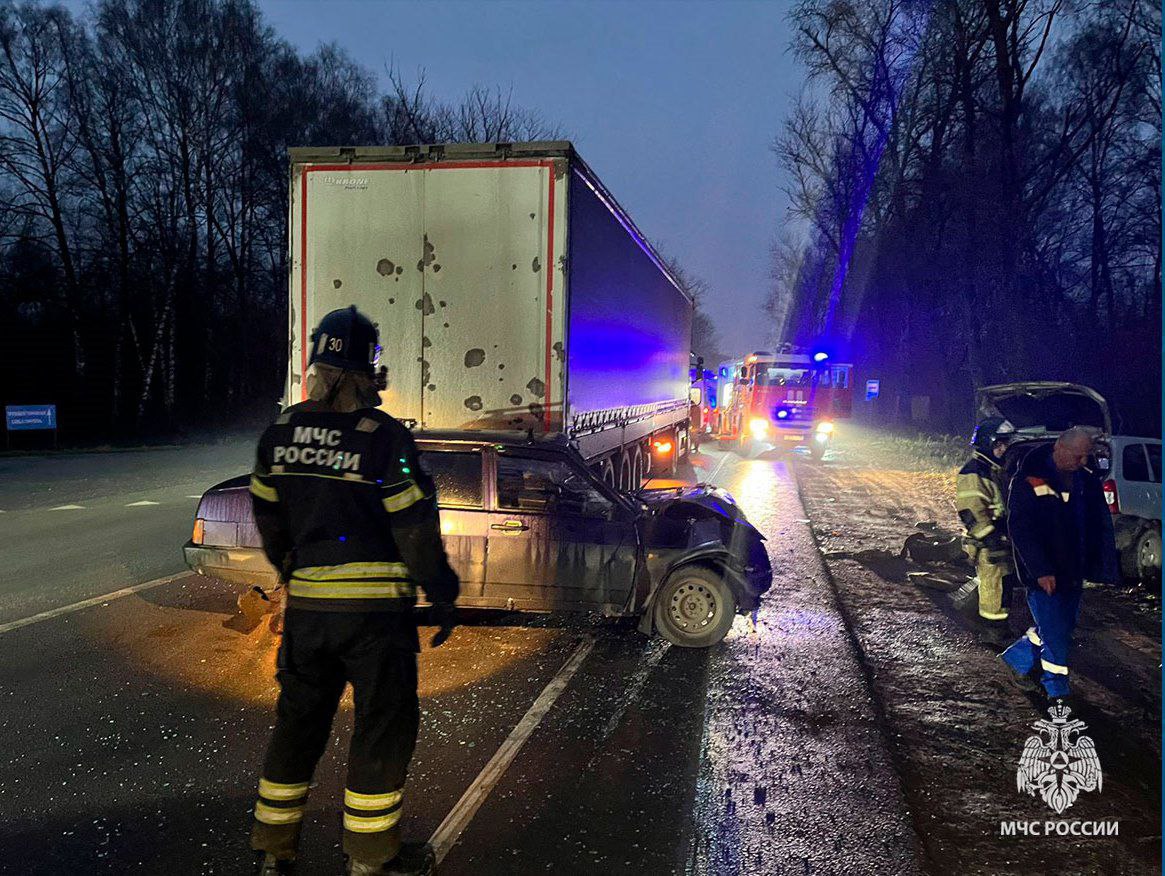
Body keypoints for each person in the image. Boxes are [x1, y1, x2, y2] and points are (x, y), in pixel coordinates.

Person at [248, 305, 460, 876]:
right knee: (381, 728)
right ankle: (370, 858)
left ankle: (273, 850)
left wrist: (293, 571)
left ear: (315, 365)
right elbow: (414, 527)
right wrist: (441, 591)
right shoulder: (383, 439)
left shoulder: (280, 435)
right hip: (375, 622)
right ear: (370, 372)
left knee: (297, 727)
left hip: (309, 617)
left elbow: (267, 518)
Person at [1000, 427, 1118, 703]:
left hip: (1073, 571)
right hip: (1044, 574)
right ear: (1059, 449)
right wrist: (1041, 570)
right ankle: (1057, 690)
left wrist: (1099, 564)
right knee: (1056, 635)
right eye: (1077, 456)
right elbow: (1021, 528)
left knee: (1061, 627)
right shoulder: (1029, 480)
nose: (1082, 462)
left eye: (1086, 456)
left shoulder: (1085, 482)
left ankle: (1017, 660)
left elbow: (1094, 526)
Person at [956, 417, 1017, 646]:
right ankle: (992, 632)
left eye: (1004, 444)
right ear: (987, 443)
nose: (1003, 449)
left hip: (998, 537)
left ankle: (988, 621)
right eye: (999, 444)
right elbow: (970, 511)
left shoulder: (993, 468)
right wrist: (991, 538)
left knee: (1000, 584)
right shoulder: (974, 472)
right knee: (994, 586)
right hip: (987, 541)